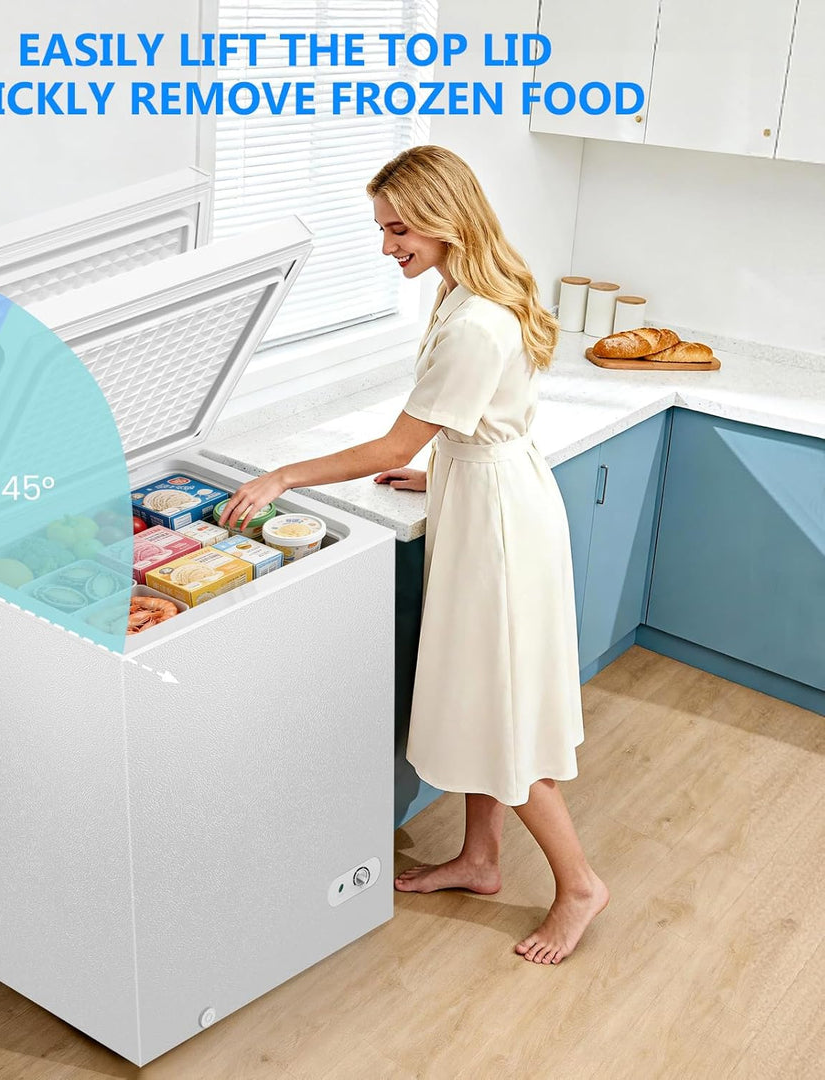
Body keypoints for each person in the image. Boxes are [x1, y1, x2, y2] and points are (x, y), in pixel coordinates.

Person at [219, 145, 607, 964]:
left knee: (502, 718)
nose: (387, 245)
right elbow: (482, 420)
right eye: (383, 228)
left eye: (399, 229)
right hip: (491, 494)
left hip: (498, 527)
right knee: (486, 697)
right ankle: (480, 859)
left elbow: (396, 440)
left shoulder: (475, 322)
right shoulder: (467, 291)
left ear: (444, 219)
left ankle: (578, 885)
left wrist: (284, 474)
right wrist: (444, 467)